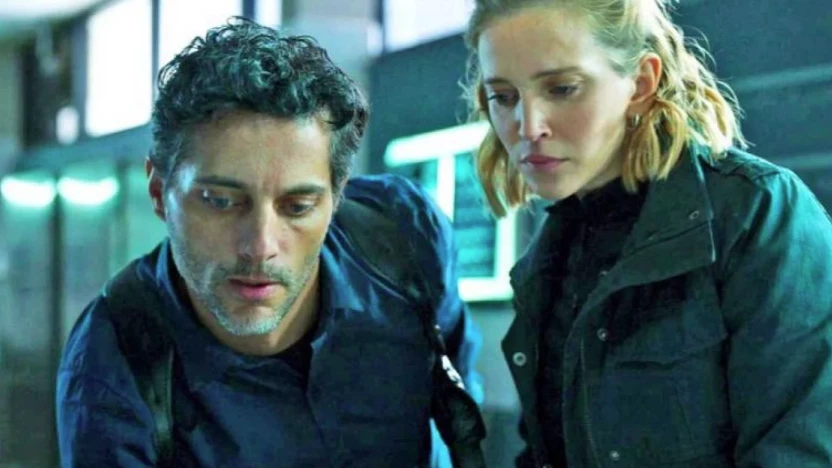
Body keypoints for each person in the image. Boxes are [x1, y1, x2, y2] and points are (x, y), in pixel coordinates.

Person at [57, 18, 483, 467]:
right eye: (221, 201)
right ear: (160, 191)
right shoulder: (112, 365)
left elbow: (458, 394)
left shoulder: (404, 234)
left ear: (335, 198)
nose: (260, 246)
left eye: (297, 207)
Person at [463, 0, 832, 466]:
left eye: (562, 88)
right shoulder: (548, 258)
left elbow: (800, 450)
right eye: (503, 97)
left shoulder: (755, 212)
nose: (528, 126)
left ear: (640, 83)